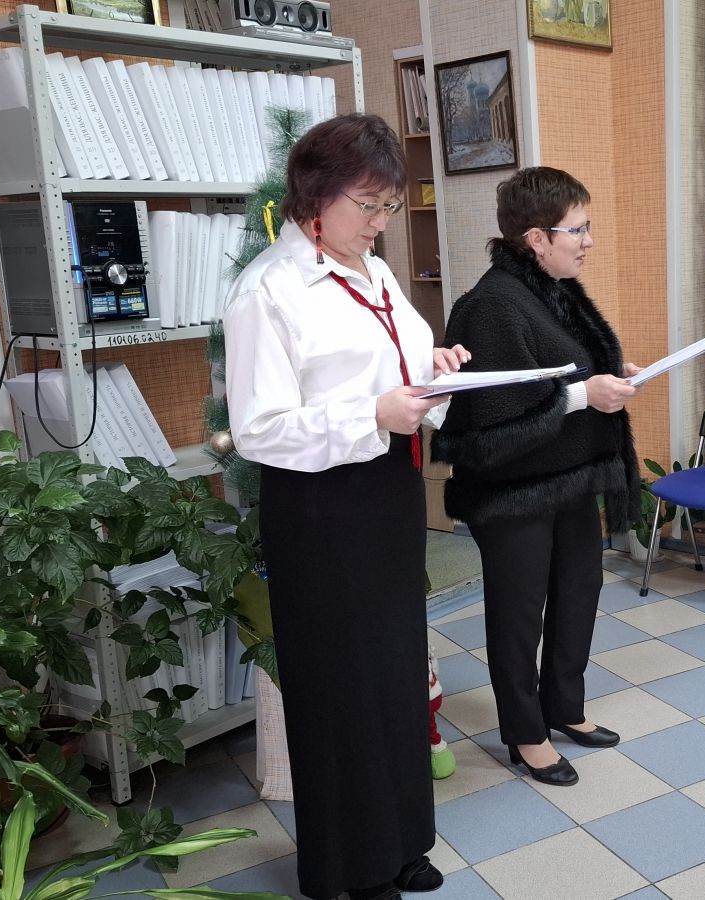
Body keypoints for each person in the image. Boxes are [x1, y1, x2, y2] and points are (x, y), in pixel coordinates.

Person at [222, 113, 468, 900]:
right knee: (342, 688)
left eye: (388, 206)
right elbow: (259, 429)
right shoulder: (268, 291)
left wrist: (433, 369)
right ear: (314, 196)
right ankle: (351, 868)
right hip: (320, 506)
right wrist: (372, 412)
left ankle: (401, 841)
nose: (379, 222)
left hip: (386, 488)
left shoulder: (373, 270)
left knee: (393, 672)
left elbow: (390, 364)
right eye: (368, 205)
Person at [431, 167, 641, 787]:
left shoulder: (554, 288)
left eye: (587, 227)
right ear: (536, 238)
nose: (588, 241)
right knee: (519, 613)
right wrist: (585, 394)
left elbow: (560, 369)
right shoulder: (491, 305)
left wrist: (610, 371)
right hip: (513, 489)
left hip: (569, 475)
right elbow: (496, 415)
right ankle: (525, 733)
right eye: (577, 229)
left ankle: (564, 708)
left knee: (580, 591)